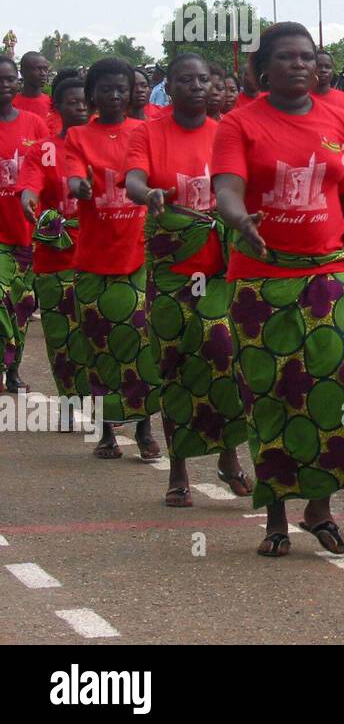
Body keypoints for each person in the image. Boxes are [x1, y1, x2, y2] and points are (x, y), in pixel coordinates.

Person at [213, 23, 344, 557]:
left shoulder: (342, 120)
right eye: (287, 58)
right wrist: (239, 219)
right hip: (262, 282)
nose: (300, 65)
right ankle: (275, 515)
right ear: (263, 69)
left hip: (329, 275)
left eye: (308, 57)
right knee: (276, 395)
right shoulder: (238, 124)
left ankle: (320, 507)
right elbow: (226, 188)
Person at [124, 53, 251, 508]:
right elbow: (133, 181)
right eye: (185, 80)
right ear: (169, 86)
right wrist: (149, 193)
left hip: (219, 270)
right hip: (171, 271)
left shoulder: (228, 134)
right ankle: (179, 469)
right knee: (174, 366)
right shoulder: (148, 132)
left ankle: (229, 456)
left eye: (203, 80)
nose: (195, 87)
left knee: (222, 353)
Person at [62, 57, 159, 459]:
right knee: (98, 344)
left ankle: (144, 428)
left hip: (137, 255)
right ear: (92, 96)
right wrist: (79, 187)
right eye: (106, 89)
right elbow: (71, 176)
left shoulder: (146, 131)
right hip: (92, 259)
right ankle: (106, 431)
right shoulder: (78, 136)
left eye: (122, 88)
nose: (116, 96)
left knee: (139, 342)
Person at [19, 73, 87, 417]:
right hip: (55, 257)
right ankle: (68, 402)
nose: (81, 106)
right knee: (61, 338)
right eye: (72, 101)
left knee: (96, 336)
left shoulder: (106, 142)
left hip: (99, 258)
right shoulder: (44, 150)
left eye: (84, 100)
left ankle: (106, 411)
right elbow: (29, 186)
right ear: (57, 107)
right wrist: (30, 201)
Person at [0, 56, 50, 392]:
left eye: (10, 78)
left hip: (29, 229)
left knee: (22, 304)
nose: (6, 85)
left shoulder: (35, 124)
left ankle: (13, 369)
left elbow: (47, 170)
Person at [15, 52, 54, 131]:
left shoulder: (52, 103)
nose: (43, 73)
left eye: (45, 69)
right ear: (23, 72)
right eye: (37, 69)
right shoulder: (10, 104)